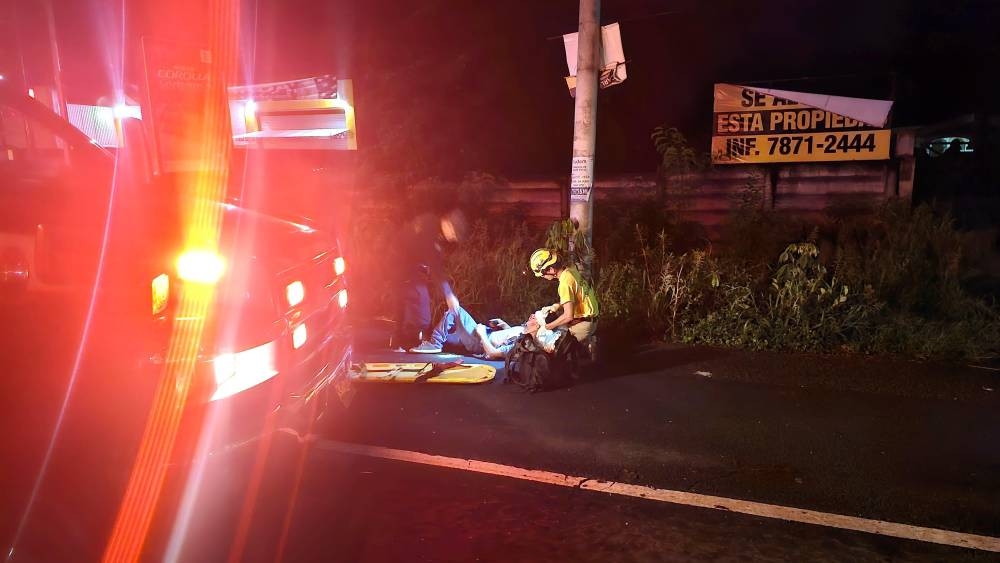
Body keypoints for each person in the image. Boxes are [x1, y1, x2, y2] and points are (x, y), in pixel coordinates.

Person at [392, 209, 467, 349]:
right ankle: (411, 342)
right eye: (454, 235)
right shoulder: (430, 227)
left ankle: (398, 342)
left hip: (402, 267)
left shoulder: (431, 225)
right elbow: (434, 263)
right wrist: (449, 295)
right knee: (420, 306)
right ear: (449, 225)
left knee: (404, 301)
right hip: (405, 268)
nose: (452, 239)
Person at [529, 248, 599, 343]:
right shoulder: (571, 271)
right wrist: (557, 305)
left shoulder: (564, 284)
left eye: (542, 274)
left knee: (547, 345)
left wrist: (548, 326)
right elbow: (575, 296)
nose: (543, 277)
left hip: (584, 324)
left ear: (551, 269)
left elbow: (568, 316)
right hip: (590, 319)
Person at [409, 305, 527, 359]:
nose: (532, 316)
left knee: (455, 310)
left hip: (479, 339)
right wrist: (505, 325)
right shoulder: (524, 330)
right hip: (482, 334)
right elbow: (509, 337)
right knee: (447, 338)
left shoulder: (524, 342)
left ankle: (435, 344)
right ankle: (414, 339)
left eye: (535, 319)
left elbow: (493, 353)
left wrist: (481, 334)